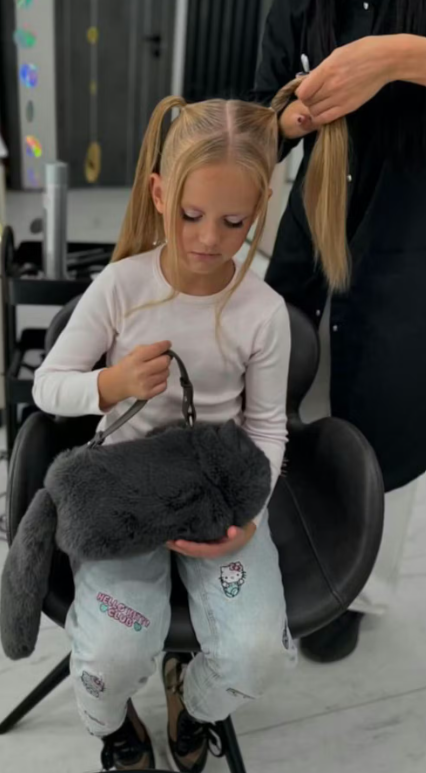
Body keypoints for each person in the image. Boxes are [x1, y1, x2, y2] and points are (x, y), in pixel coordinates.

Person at [32, 94, 297, 772]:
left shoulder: (262, 312)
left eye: (234, 222)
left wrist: (249, 516)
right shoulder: (122, 287)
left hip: (218, 492)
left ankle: (193, 703)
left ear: (259, 208)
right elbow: (46, 385)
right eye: (189, 215)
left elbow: (267, 425)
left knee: (256, 654)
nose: (208, 239)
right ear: (158, 194)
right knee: (111, 653)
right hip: (126, 489)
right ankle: (114, 721)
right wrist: (110, 383)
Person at [254, 0, 426, 662]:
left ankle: (358, 589)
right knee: (283, 385)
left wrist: (392, 58)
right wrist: (286, 119)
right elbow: (261, 114)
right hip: (316, 222)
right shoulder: (295, 7)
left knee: (387, 412)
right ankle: (290, 547)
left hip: (409, 237)